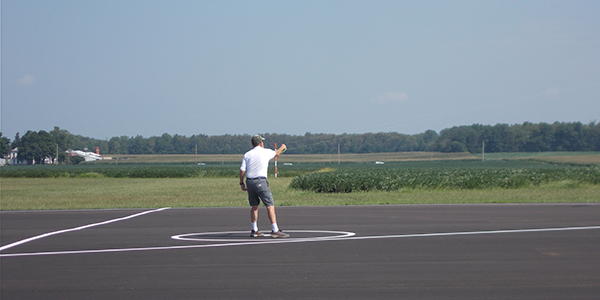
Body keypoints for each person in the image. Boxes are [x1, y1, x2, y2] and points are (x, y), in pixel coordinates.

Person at [240, 134, 289, 238]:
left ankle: (254, 229)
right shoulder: (265, 151)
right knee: (270, 205)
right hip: (260, 181)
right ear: (261, 143)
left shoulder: (247, 154)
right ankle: (275, 230)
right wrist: (282, 147)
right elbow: (277, 153)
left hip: (249, 182)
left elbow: (242, 170)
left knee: (254, 206)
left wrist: (241, 182)